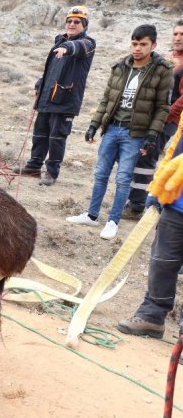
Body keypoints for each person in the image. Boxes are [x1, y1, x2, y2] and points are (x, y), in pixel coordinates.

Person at [67, 24, 173, 240]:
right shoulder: (120, 66)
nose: (137, 48)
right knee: (100, 174)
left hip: (135, 134)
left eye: (143, 44)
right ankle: (92, 214)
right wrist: (94, 125)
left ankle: (113, 221)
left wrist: (152, 135)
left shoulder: (163, 70)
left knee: (124, 178)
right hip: (113, 128)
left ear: (154, 45)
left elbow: (163, 107)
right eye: (134, 43)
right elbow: (107, 99)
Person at [12, 6, 96, 186]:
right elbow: (53, 70)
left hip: (66, 100)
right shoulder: (59, 42)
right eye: (69, 21)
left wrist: (67, 47)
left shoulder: (88, 43)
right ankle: (34, 167)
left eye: (77, 22)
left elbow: (78, 47)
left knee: (57, 138)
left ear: (84, 25)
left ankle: (51, 173)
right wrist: (40, 84)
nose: (72, 24)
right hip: (47, 97)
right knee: (40, 134)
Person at [116, 115, 183, 338]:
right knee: (162, 261)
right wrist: (158, 187)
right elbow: (174, 148)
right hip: (176, 202)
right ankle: (152, 315)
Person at [123, 19, 183, 218]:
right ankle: (135, 200)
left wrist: (164, 117)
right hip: (148, 119)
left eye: (182, 35)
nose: (178, 38)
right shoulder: (167, 58)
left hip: (167, 121)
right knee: (139, 157)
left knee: (147, 159)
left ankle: (137, 206)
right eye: (175, 34)